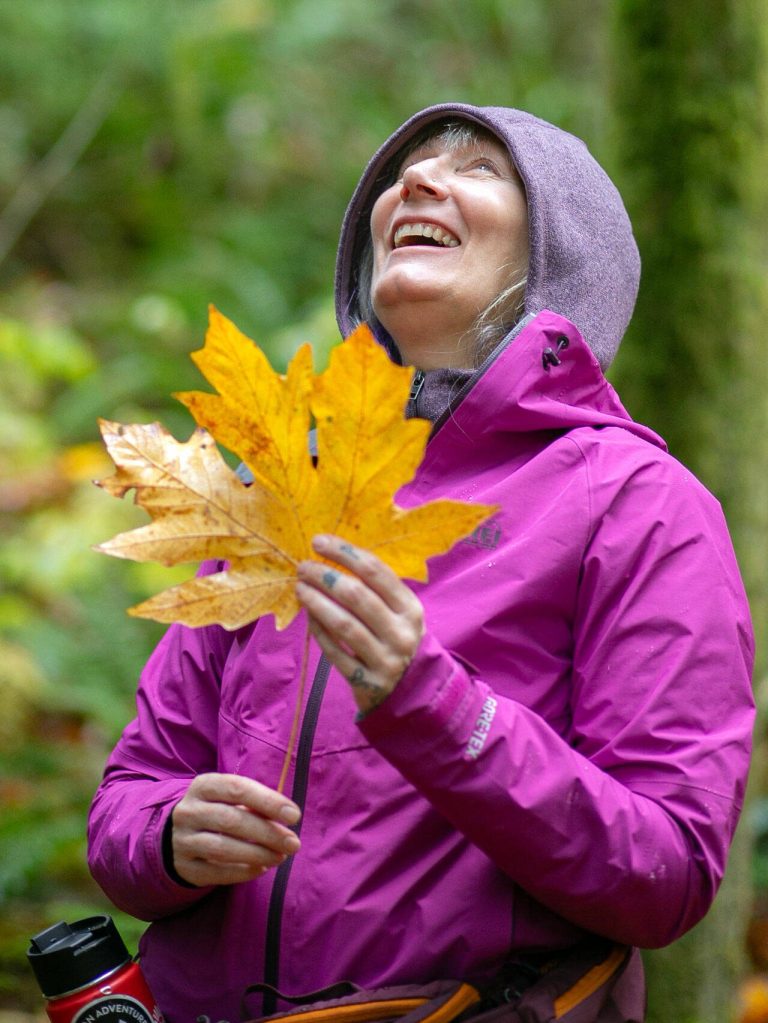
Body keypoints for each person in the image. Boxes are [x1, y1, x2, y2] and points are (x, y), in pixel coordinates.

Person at [87, 103, 755, 1022]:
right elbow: (130, 796)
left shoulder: (638, 501)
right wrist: (169, 837)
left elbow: (667, 871)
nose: (419, 181)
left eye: (480, 168)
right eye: (406, 170)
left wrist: (437, 708)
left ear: (566, 252)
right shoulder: (288, 487)